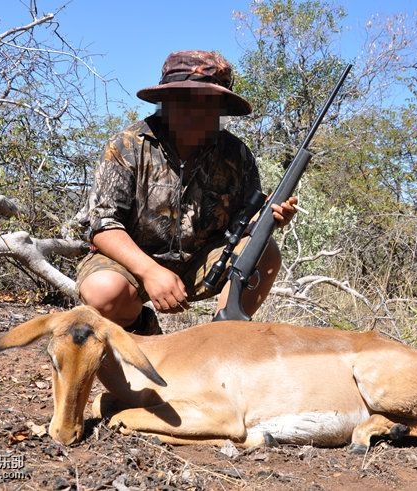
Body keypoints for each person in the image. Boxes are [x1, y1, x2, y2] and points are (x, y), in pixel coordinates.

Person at [74, 50, 297, 334]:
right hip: (131, 263)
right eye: (187, 98)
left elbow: (245, 224)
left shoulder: (236, 154)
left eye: (210, 102)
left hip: (201, 264)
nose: (199, 111)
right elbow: (103, 224)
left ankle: (224, 338)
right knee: (104, 292)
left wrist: (269, 219)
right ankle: (142, 328)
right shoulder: (126, 145)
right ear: (167, 100)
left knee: (266, 251)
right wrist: (151, 271)